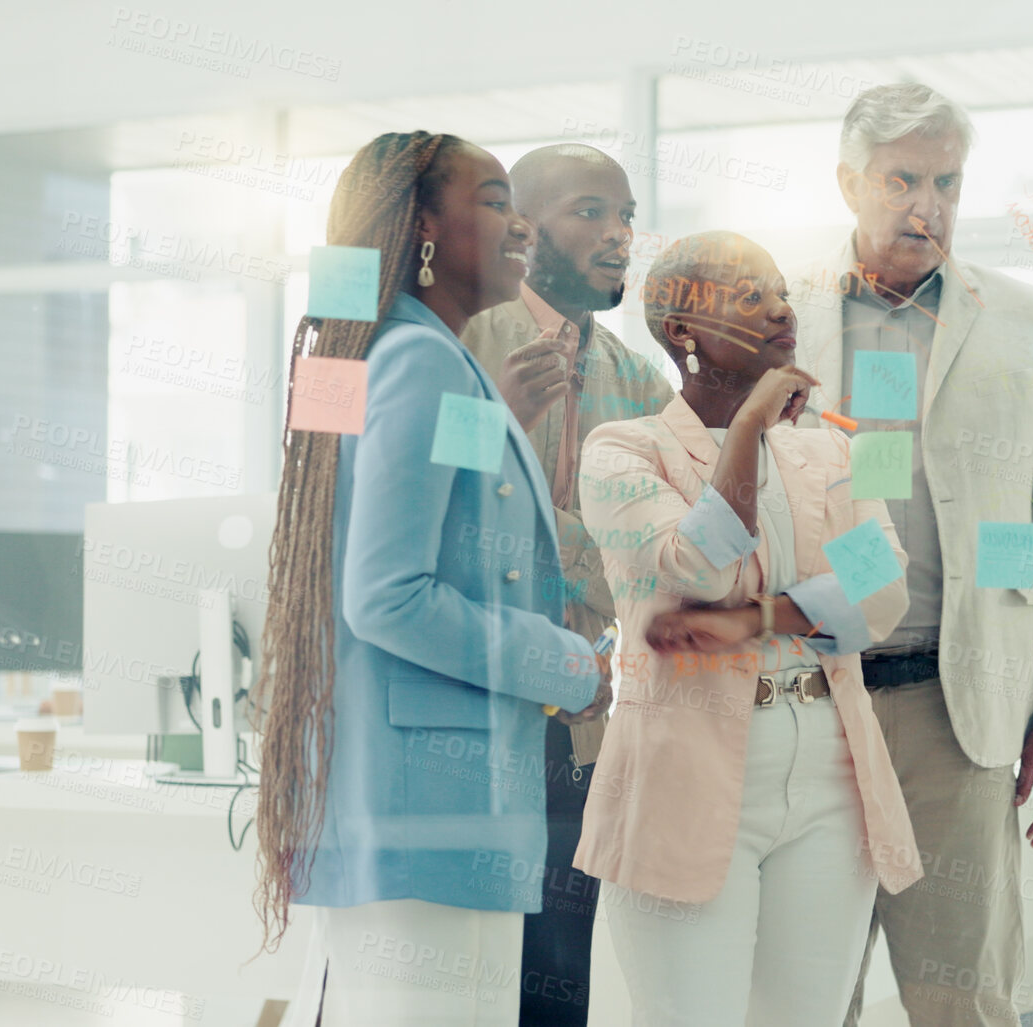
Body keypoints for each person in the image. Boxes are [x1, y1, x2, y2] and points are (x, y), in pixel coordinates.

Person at [252, 131, 605, 1027]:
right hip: (431, 808)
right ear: (422, 231)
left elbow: (434, 513)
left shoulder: (410, 356)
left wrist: (504, 418)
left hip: (413, 803)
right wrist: (570, 665)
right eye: (492, 200)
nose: (516, 219)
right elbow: (386, 594)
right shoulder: (418, 361)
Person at [785, 83, 1033, 1026]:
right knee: (802, 998)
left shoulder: (1026, 320)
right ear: (850, 184)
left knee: (962, 1002)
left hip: (957, 711)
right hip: (810, 705)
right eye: (903, 179)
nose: (928, 204)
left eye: (948, 182)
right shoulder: (779, 314)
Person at [574, 231, 923, 1026]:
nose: (779, 311)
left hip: (831, 771)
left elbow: (883, 594)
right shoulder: (620, 449)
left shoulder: (834, 448)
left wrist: (753, 618)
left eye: (780, 294)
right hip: (682, 773)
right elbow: (693, 567)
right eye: (747, 296)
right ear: (680, 333)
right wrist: (745, 433)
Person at [458, 143, 674, 1027]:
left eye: (625, 216)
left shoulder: (640, 380)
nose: (619, 235)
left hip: (584, 735)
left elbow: (657, 567)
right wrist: (497, 440)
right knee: (452, 979)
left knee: (559, 984)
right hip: (471, 714)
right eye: (591, 211)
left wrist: (555, 528)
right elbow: (431, 514)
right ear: (523, 226)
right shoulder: (463, 338)